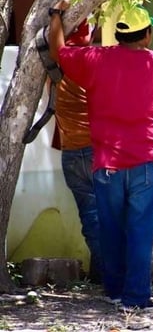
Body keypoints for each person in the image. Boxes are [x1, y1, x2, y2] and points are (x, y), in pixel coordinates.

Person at [48, 0, 153, 312]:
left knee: (110, 228)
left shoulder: (96, 59)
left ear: (119, 34)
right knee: (140, 229)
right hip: (148, 162)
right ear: (147, 35)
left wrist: (56, 16)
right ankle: (136, 298)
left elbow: (58, 51)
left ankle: (113, 291)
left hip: (107, 164)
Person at [53, 18, 103, 284]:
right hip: (97, 152)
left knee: (91, 217)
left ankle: (100, 273)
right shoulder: (95, 62)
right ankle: (106, 274)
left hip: (71, 152)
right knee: (105, 216)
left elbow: (55, 44)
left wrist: (54, 16)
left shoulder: (60, 64)